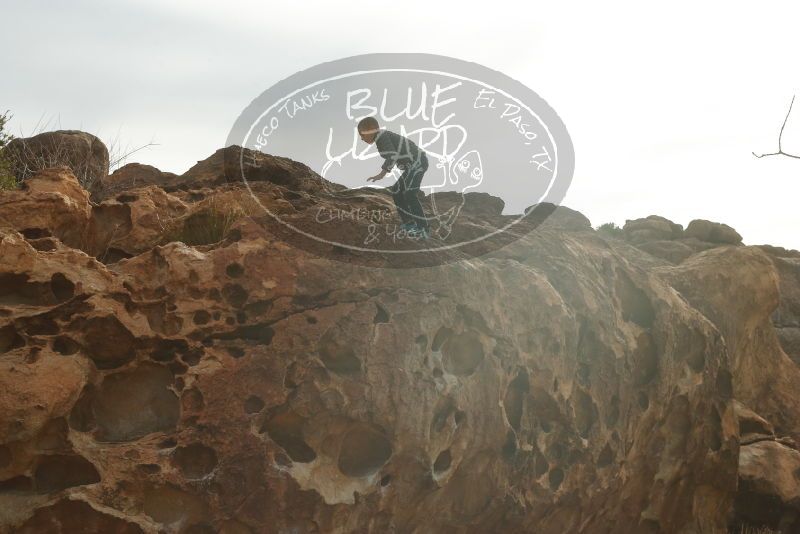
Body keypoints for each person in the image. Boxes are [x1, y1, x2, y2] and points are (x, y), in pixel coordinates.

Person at [357, 116, 430, 238]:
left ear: (372, 129)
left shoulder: (382, 136)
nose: (361, 138)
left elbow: (392, 155)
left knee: (409, 194)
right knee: (397, 191)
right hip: (412, 165)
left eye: (362, 134)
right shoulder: (380, 138)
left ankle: (423, 228)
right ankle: (409, 223)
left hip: (418, 162)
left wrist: (382, 174)